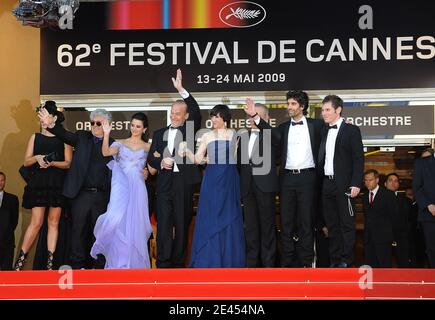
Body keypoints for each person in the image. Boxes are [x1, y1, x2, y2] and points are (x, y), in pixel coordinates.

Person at [248, 91, 323, 267]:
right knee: (286, 222)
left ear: (302, 107)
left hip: (308, 178)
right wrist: (254, 116)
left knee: (306, 222)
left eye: (293, 104)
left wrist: (347, 124)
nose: (289, 107)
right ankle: (287, 264)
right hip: (287, 179)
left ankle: (306, 263)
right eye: (288, 104)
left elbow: (334, 132)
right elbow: (269, 133)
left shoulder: (317, 126)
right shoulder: (282, 128)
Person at [38, 106, 118, 269]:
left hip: (102, 196)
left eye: (98, 123)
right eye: (92, 123)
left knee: (100, 234)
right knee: (78, 231)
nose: (94, 126)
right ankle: (77, 266)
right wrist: (52, 125)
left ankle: (99, 266)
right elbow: (65, 135)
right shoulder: (82, 137)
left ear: (108, 124)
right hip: (81, 195)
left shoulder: (114, 144)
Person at [147, 69, 202, 268]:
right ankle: (162, 263)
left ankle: (178, 265)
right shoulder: (159, 132)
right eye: (172, 114)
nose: (174, 117)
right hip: (163, 183)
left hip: (183, 183)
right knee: (163, 225)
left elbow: (196, 109)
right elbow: (151, 161)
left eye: (178, 114)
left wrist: (181, 90)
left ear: (186, 116)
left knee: (181, 224)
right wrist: (160, 162)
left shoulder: (190, 129)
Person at [181, 104, 246, 267]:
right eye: (212, 116)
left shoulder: (235, 134)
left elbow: (236, 158)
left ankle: (229, 260)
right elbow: (197, 159)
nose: (213, 119)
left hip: (229, 178)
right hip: (211, 179)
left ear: (225, 117)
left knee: (230, 215)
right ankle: (209, 260)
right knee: (211, 215)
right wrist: (187, 152)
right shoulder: (207, 136)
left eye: (217, 116)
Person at [90, 113, 153, 269]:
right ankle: (119, 263)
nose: (134, 129)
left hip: (138, 189)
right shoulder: (120, 143)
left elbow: (153, 170)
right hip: (121, 188)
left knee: (136, 225)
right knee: (116, 220)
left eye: (138, 126)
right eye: (132, 125)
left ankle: (135, 265)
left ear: (144, 129)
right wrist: (106, 134)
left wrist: (149, 170)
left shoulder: (148, 147)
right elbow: (105, 153)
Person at [15, 101, 72, 270]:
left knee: (53, 222)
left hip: (56, 183)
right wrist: (38, 157)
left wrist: (52, 163)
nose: (42, 118)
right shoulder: (35, 137)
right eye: (40, 115)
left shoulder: (64, 138)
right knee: (36, 222)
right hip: (39, 183)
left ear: (53, 117)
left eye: (45, 115)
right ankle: (20, 262)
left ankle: (50, 264)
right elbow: (26, 162)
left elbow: (68, 163)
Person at [318, 95, 364, 268]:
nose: (324, 113)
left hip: (345, 185)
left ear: (338, 110)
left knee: (346, 224)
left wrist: (356, 183)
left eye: (327, 109)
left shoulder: (352, 130)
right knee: (332, 225)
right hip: (327, 184)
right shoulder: (323, 130)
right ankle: (335, 261)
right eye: (323, 110)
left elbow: (358, 159)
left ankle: (346, 260)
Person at [239, 99, 279, 268]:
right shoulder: (243, 137)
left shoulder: (272, 135)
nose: (252, 120)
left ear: (266, 119)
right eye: (250, 117)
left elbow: (274, 137)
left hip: (265, 188)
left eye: (256, 117)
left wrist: (256, 116)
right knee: (250, 229)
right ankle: (251, 266)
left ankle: (269, 267)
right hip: (247, 188)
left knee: (267, 228)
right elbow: (240, 164)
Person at [362, 169, 395, 268]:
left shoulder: (388, 194)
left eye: (370, 180)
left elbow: (395, 217)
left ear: (377, 180)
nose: (367, 183)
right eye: (366, 180)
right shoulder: (364, 196)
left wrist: (393, 237)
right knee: (371, 269)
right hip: (369, 239)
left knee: (384, 268)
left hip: (383, 238)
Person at [413, 150, 435, 268]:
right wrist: (428, 205)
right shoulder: (421, 163)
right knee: (432, 249)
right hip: (430, 213)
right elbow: (417, 187)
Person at [384, 173, 411, 267]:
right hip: (384, 237)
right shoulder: (378, 199)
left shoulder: (406, 201)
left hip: (401, 237)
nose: (393, 183)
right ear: (385, 184)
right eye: (390, 180)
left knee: (404, 264)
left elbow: (408, 219)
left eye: (396, 181)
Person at [0, 172, 19, 270]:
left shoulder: (13, 199)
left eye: (2, 180)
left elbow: (14, 221)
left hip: (7, 242)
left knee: (6, 272)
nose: (0, 183)